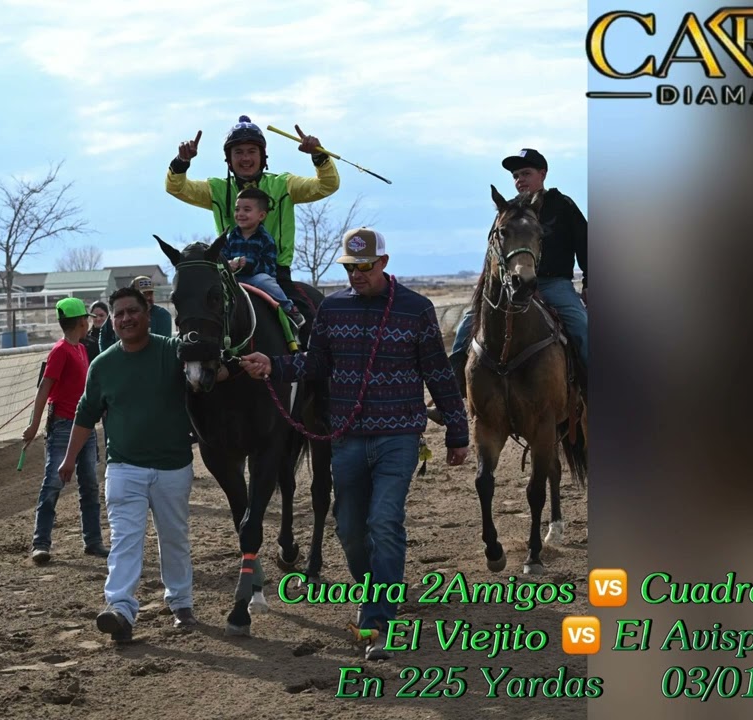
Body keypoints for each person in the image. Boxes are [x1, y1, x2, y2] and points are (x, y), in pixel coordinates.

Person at [239, 227, 469, 660]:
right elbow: (316, 362)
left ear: (383, 262)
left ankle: (380, 620)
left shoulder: (416, 308)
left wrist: (457, 432)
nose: (356, 275)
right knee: (348, 529)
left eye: (363, 266)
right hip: (347, 438)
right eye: (349, 268)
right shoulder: (333, 308)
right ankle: (373, 593)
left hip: (399, 436)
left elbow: (438, 373)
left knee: (383, 521)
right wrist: (274, 365)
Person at [60, 287, 220, 641]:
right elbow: (85, 415)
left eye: (132, 311)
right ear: (111, 322)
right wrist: (68, 459)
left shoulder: (173, 352)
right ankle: (120, 610)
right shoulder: (103, 366)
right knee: (124, 541)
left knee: (174, 538)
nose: (126, 318)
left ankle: (181, 603)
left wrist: (239, 364)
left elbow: (209, 375)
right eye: (119, 314)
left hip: (172, 467)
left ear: (148, 313)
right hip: (124, 468)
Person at [430, 148, 587, 422]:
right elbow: (493, 253)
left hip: (552, 283)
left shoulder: (563, 205)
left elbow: (586, 245)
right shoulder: (507, 210)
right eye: (515, 176)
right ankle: (450, 399)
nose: (519, 180)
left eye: (526, 173)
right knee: (467, 325)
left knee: (581, 327)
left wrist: (590, 281)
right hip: (509, 286)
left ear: (543, 174)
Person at [166, 115, 339, 326]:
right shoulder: (216, 188)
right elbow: (176, 187)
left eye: (251, 151)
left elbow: (327, 185)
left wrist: (318, 156)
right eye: (238, 152)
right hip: (231, 273)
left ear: (263, 156)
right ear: (229, 159)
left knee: (310, 324)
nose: (245, 158)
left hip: (275, 274)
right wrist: (182, 161)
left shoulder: (284, 184)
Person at [22, 298, 106, 563]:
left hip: (84, 425)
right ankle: (40, 543)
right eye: (87, 319)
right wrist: (34, 425)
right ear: (81, 322)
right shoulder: (60, 351)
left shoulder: (80, 349)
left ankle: (93, 541)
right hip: (62, 426)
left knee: (89, 483)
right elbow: (44, 388)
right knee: (53, 483)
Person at [225, 187, 305, 327]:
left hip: (255, 279)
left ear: (261, 216)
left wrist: (248, 264)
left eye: (247, 210)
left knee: (265, 281)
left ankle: (289, 309)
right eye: (237, 209)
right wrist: (228, 264)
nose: (240, 214)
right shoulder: (229, 238)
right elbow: (221, 258)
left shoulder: (265, 239)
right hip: (234, 279)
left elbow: (269, 267)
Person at [98, 276, 172, 352]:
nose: (148, 297)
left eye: (150, 293)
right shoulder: (118, 314)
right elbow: (104, 336)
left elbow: (163, 346)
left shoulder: (162, 315)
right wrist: (109, 356)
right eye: (144, 294)